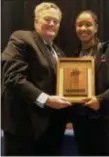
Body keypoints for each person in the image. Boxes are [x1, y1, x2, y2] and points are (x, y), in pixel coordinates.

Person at [1, 2, 71, 156]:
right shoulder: (22, 38)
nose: (52, 23)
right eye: (47, 19)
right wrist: (47, 100)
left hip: (53, 129)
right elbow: (12, 77)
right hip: (24, 129)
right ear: (36, 21)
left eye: (56, 21)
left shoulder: (60, 53)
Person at [69, 10, 109, 155]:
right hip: (81, 122)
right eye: (79, 25)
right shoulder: (72, 57)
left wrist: (100, 100)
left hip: (104, 120)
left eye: (88, 24)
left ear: (96, 28)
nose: (83, 29)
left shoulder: (106, 50)